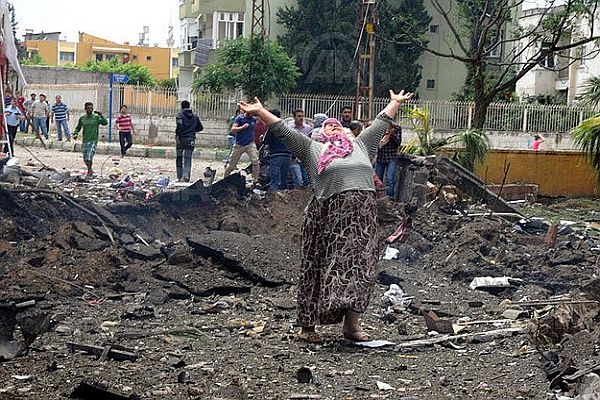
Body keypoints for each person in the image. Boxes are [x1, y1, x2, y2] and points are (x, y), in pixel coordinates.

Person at [238, 89, 414, 343]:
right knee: (318, 266)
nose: (336, 129)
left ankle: (351, 325)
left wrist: (395, 102)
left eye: (339, 127)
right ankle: (307, 328)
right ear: (320, 134)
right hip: (328, 217)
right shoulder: (313, 149)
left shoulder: (361, 146)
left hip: (362, 218)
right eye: (329, 127)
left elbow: (380, 122)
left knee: (361, 268)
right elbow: (283, 130)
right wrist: (260, 112)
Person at [224, 109, 260, 185]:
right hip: (239, 144)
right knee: (231, 165)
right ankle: (225, 180)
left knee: (256, 162)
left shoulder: (253, 119)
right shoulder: (239, 118)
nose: (252, 114)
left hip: (250, 143)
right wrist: (242, 127)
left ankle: (255, 181)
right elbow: (233, 129)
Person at [73, 102, 108, 177]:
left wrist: (101, 115)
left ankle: (89, 171)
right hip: (85, 140)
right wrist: (75, 133)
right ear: (85, 109)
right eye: (88, 108)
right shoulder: (82, 118)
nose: (90, 109)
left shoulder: (96, 117)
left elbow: (105, 123)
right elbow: (78, 127)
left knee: (89, 156)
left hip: (93, 140)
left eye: (91, 108)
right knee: (85, 158)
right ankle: (90, 169)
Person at [262, 109, 292, 191]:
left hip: (276, 155)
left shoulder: (272, 128)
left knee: (274, 178)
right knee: (284, 178)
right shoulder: (286, 127)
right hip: (287, 155)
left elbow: (266, 142)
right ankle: (284, 196)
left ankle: (274, 196)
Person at [175, 100, 203, 182]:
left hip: (181, 139)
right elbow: (200, 128)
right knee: (188, 158)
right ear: (189, 106)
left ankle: (179, 176)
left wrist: (177, 136)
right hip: (191, 140)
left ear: (181, 106)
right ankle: (186, 176)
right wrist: (192, 130)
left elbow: (179, 126)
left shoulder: (180, 115)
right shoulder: (195, 116)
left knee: (179, 157)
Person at [375, 123, 402, 198]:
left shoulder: (397, 128)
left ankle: (390, 199)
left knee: (390, 179)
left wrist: (391, 134)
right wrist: (385, 133)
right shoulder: (380, 127)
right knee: (378, 178)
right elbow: (376, 142)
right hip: (380, 157)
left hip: (391, 157)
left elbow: (398, 143)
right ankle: (377, 198)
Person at [287, 109, 312, 188]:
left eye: (302, 116)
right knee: (298, 180)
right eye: (298, 116)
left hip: (305, 158)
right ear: (294, 117)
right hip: (294, 157)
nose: (301, 118)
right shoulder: (289, 128)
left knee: (307, 180)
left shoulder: (308, 128)